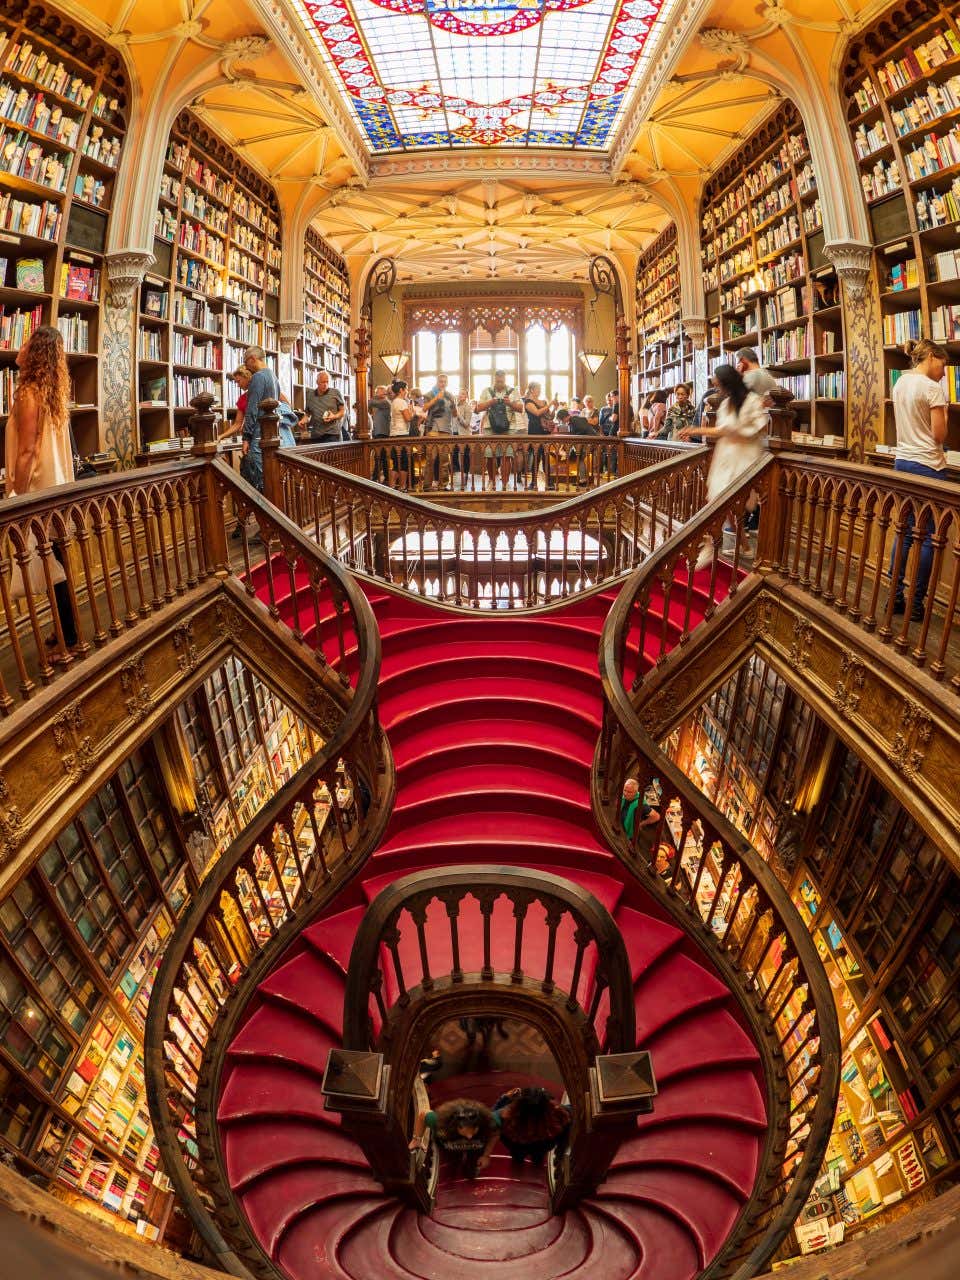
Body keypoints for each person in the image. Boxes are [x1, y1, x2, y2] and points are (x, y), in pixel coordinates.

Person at [5, 325, 78, 649]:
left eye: (24, 344)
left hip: (37, 491)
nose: (18, 349)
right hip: (57, 489)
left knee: (50, 568)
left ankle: (67, 640)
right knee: (56, 566)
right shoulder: (53, 392)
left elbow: (27, 451)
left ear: (34, 354)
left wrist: (16, 495)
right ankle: (69, 633)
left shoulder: (28, 393)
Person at [678, 363, 768, 570]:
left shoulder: (753, 401)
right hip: (726, 456)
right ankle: (740, 546)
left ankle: (712, 545)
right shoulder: (727, 404)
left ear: (729, 383)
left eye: (720, 385)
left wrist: (698, 430)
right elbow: (722, 429)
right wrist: (697, 430)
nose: (718, 390)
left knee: (723, 505)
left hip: (744, 458)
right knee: (721, 506)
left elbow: (752, 429)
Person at [890, 338, 949, 620]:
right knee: (928, 539)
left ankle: (894, 599)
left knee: (904, 532)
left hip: (902, 463)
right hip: (929, 467)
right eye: (944, 364)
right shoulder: (932, 388)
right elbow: (939, 436)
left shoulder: (900, 383)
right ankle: (915, 605)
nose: (945, 371)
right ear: (933, 357)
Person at [409, 1098, 500, 1178]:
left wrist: (486, 1155)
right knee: (453, 1162)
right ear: (454, 1125)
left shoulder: (489, 1122)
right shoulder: (440, 1121)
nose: (470, 1136)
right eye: (466, 1131)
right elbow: (423, 1115)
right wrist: (416, 1139)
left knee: (472, 1166)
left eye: (474, 1130)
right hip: (450, 1149)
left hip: (475, 1151)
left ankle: (470, 1171)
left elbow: (495, 1134)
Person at [494, 1087, 571, 1167]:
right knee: (538, 1157)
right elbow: (569, 1116)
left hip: (516, 1146)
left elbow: (491, 1119)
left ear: (519, 1103)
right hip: (542, 1146)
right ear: (547, 1104)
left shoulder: (507, 1119)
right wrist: (560, 1151)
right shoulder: (557, 1116)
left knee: (517, 1156)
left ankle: (518, 1162)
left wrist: (505, 1099)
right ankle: (537, 1162)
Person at [388, 378, 413, 488]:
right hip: (402, 434)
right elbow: (408, 418)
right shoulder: (401, 402)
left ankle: (392, 486)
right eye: (406, 389)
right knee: (403, 463)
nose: (407, 391)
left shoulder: (394, 401)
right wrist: (413, 411)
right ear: (401, 390)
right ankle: (402, 487)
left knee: (396, 463)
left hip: (393, 435)